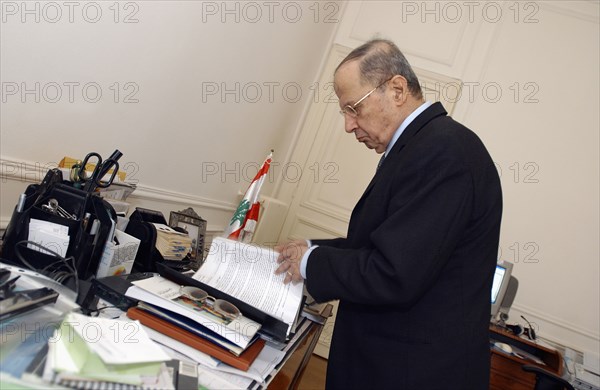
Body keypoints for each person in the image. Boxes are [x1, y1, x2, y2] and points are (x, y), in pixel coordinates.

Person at [275, 39, 502, 389]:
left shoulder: (444, 152)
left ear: (396, 89)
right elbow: (381, 246)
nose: (349, 125)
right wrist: (309, 247)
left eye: (354, 108)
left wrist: (311, 263)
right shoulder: (423, 146)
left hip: (412, 372)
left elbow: (394, 273)